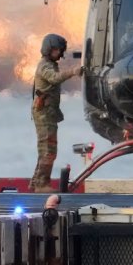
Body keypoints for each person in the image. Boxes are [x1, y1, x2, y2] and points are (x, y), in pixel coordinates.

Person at [30, 34, 82, 193]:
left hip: (48, 112)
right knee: (48, 150)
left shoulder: (48, 64)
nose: (59, 54)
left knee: (44, 149)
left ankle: (36, 182)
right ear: (49, 50)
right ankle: (41, 185)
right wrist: (73, 71)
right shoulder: (45, 66)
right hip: (44, 112)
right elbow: (54, 78)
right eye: (57, 50)